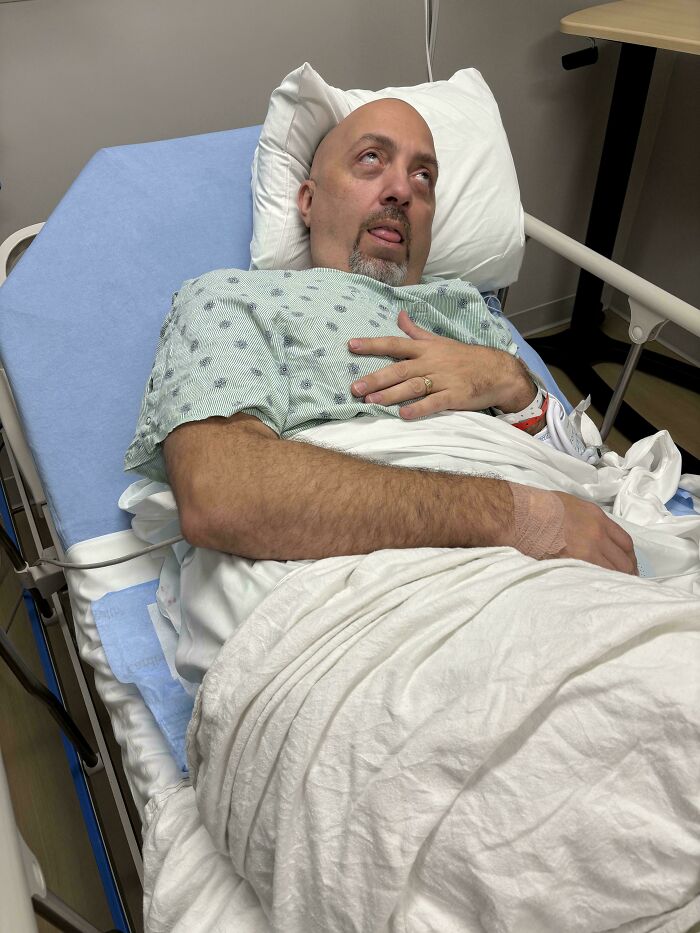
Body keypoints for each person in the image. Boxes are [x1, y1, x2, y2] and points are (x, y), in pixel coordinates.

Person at [124, 97, 637, 575]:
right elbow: (224, 494)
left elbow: (582, 469)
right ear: (308, 200)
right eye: (371, 159)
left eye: (423, 176)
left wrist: (509, 381)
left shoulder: (465, 309)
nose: (402, 191)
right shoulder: (235, 297)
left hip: (562, 541)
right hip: (384, 569)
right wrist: (519, 516)